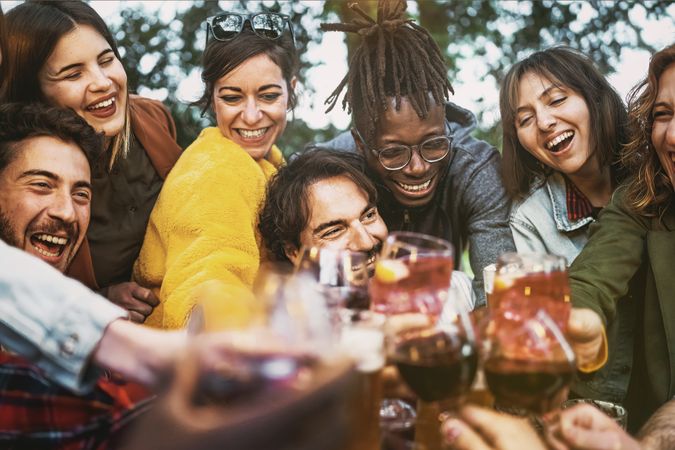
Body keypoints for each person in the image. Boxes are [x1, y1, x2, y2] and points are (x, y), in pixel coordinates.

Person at [312, 0, 515, 305]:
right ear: (360, 143)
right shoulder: (328, 173)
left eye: (433, 144)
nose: (418, 168)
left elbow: (497, 295)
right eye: (393, 152)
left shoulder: (475, 170)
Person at [2, 1, 182, 322]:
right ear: (33, 94)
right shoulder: (17, 182)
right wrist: (99, 298)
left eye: (107, 60)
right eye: (73, 74)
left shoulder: (154, 119)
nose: (102, 82)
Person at [133, 11, 297, 329]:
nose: (251, 116)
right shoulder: (217, 169)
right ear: (212, 98)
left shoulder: (266, 164)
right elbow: (208, 285)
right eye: (232, 97)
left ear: (291, 90)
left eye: (268, 95)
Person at [569, 44, 675, 432]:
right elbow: (591, 279)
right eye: (663, 115)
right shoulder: (640, 202)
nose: (673, 135)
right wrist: (576, 317)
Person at [259, 148, 477, 311]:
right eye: (334, 230)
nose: (367, 242)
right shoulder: (291, 341)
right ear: (294, 253)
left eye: (368, 215)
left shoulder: (452, 292)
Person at [500, 46, 627, 264]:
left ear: (594, 98)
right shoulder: (529, 219)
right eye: (525, 119)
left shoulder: (654, 172)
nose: (544, 122)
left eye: (557, 100)